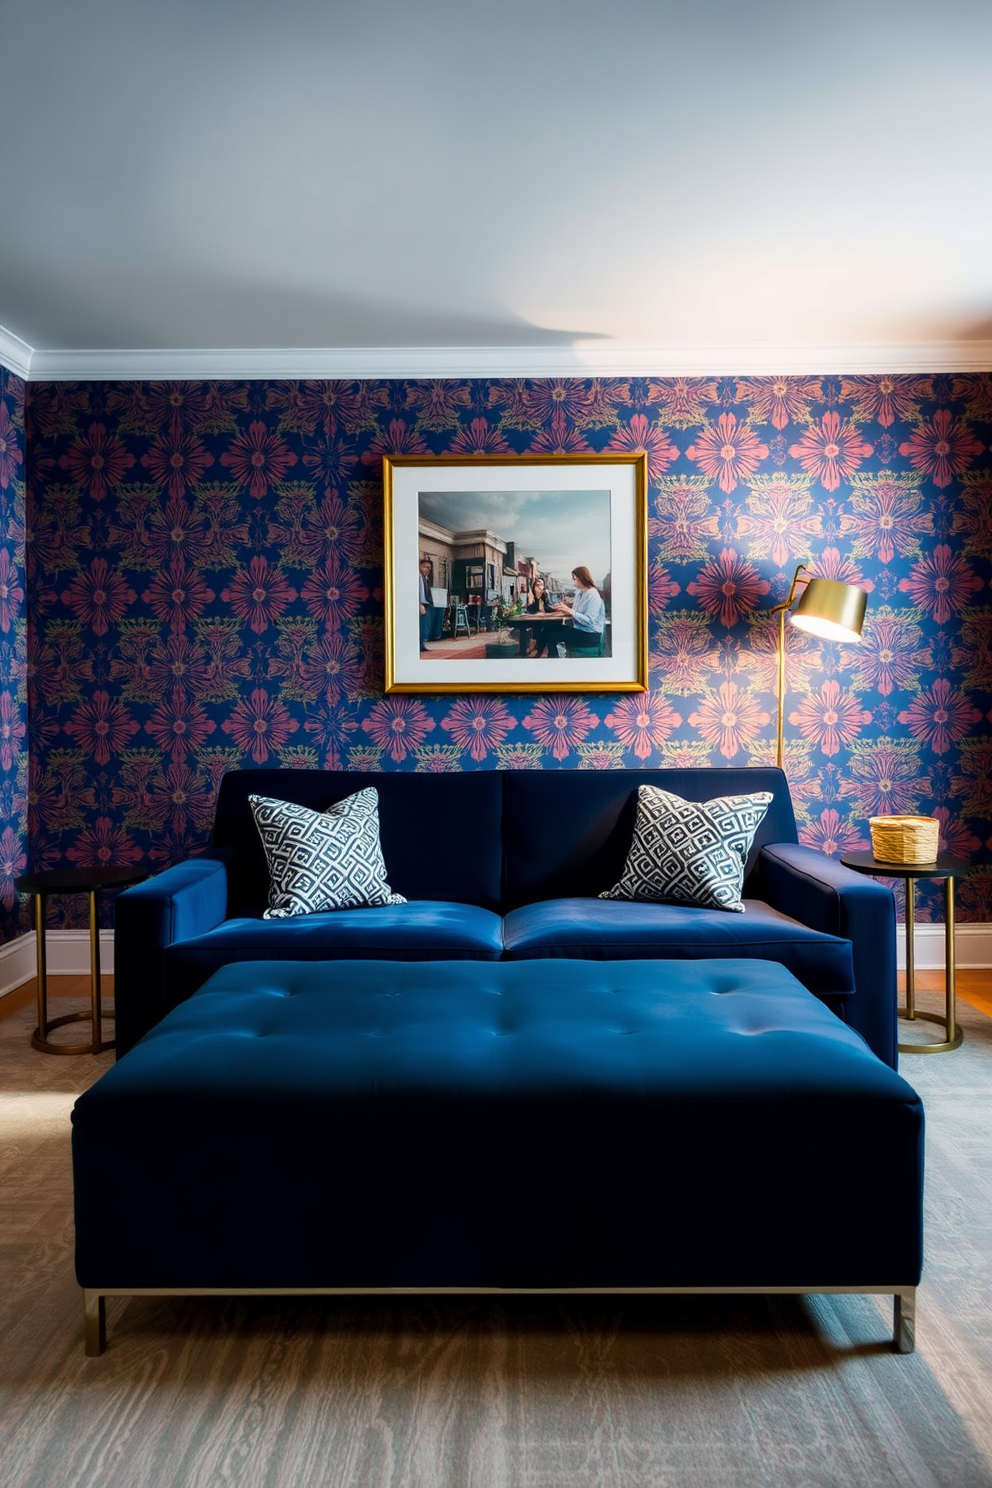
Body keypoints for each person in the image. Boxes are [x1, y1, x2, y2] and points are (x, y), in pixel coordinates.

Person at [553, 565, 606, 655]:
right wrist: (565, 609)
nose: (573, 582)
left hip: (590, 635)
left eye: (574, 579)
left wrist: (569, 611)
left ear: (582, 578)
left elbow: (589, 621)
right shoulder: (580, 593)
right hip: (581, 631)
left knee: (552, 635)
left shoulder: (593, 595)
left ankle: (552, 660)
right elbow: (576, 612)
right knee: (550, 628)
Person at [525, 576, 555, 657]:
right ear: (534, 586)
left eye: (541, 584)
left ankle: (538, 651)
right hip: (533, 621)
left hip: (542, 620)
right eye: (537, 585)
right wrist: (531, 602)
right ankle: (537, 650)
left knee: (549, 628)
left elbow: (547, 607)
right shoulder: (531, 596)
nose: (539, 587)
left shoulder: (544, 596)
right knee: (539, 628)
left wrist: (555, 609)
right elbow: (530, 610)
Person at [418, 557, 433, 653]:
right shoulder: (417, 576)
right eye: (425, 567)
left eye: (429, 568)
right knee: (422, 626)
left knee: (424, 625)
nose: (427, 569)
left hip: (425, 603)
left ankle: (422, 644)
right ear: (419, 566)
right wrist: (419, 604)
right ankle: (420, 645)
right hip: (420, 604)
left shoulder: (424, 578)